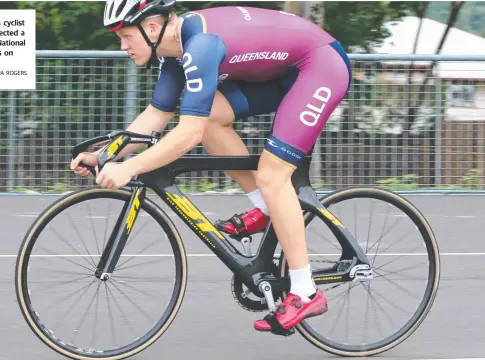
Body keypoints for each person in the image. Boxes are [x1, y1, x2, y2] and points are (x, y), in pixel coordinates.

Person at [71, 0, 352, 333]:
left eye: (126, 36)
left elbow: (188, 134)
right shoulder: (173, 51)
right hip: (284, 71)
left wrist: (130, 168)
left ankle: (305, 291)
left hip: (319, 65)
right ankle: (265, 209)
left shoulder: (200, 46)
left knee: (273, 174)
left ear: (150, 28)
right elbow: (156, 117)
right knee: (213, 118)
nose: (123, 46)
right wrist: (106, 155)